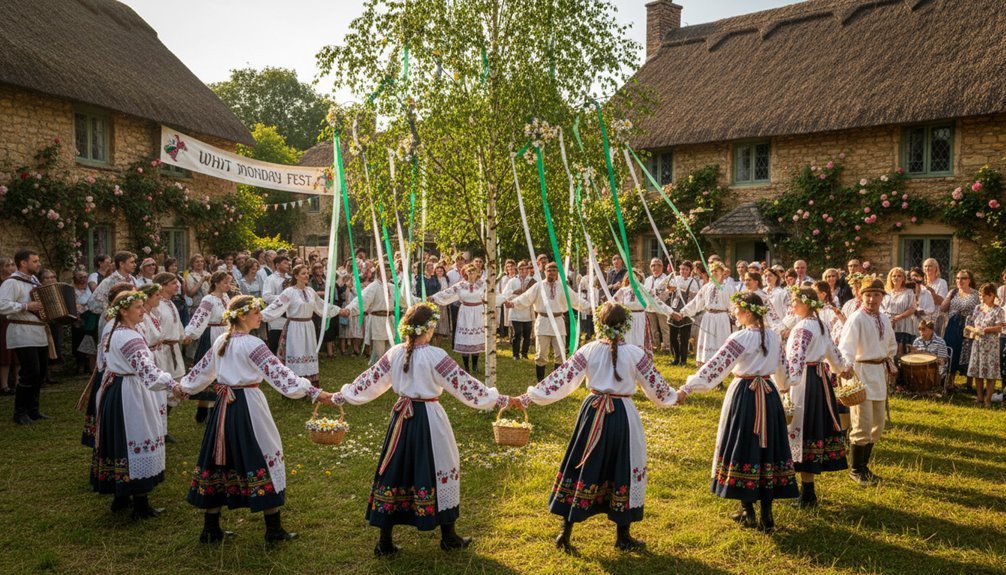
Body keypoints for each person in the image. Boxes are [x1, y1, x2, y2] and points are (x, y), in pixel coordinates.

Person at [329, 302, 518, 556]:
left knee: (395, 471)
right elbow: (465, 385)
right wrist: (499, 399)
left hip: (401, 420)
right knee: (441, 465)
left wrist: (342, 396)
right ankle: (448, 536)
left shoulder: (395, 352)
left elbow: (369, 380)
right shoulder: (435, 355)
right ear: (428, 329)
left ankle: (385, 541)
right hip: (429, 419)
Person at [516, 302, 678, 551]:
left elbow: (561, 378)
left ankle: (565, 533)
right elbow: (658, 388)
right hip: (622, 416)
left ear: (600, 324)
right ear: (625, 325)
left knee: (582, 466)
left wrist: (529, 397)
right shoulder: (635, 354)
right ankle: (622, 536)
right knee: (622, 467)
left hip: (592, 413)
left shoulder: (589, 349)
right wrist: (677, 396)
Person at [181, 295, 332, 543]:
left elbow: (201, 372)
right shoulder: (252, 344)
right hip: (248, 405)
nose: (261, 316)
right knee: (263, 453)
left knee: (220, 460)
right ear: (242, 316)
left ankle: (211, 527)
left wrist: (182, 387)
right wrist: (312, 391)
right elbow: (279, 373)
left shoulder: (222, 340)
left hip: (223, 408)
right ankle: (273, 529)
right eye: (256, 313)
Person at [677, 292, 797, 532]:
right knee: (767, 449)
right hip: (769, 395)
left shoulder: (740, 337)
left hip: (745, 395)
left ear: (748, 312)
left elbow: (716, 366)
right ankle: (766, 514)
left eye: (737, 310)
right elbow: (783, 369)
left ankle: (748, 510)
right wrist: (784, 388)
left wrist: (687, 388)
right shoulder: (773, 337)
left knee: (744, 445)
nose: (734, 313)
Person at [91, 290, 183, 518]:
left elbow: (102, 363)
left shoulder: (114, 330)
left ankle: (121, 497)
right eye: (138, 307)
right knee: (137, 437)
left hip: (116, 389)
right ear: (124, 311)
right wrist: (173, 384)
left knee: (120, 440)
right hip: (130, 392)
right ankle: (140, 504)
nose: (143, 310)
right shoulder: (128, 337)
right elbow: (146, 369)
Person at [784, 288, 850, 508]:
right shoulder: (820, 325)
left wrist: (787, 384)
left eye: (795, 302)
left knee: (802, 430)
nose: (792, 306)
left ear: (806, 304)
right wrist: (842, 368)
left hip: (804, 382)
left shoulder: (803, 327)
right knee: (809, 431)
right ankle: (807, 490)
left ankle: (805, 492)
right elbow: (833, 353)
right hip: (820, 381)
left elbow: (795, 357)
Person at [838, 278, 897, 487]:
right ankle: (855, 469)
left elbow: (890, 344)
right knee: (862, 422)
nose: (872, 299)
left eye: (876, 295)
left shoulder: (884, 318)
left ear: (882, 297)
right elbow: (846, 347)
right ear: (861, 296)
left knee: (877, 424)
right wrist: (846, 367)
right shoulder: (856, 318)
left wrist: (890, 360)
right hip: (861, 372)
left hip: (878, 373)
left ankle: (864, 466)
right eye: (868, 295)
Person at [261, 264, 346, 386]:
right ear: (296, 276)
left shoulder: (310, 291)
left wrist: (339, 310)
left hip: (308, 327)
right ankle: (294, 385)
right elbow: (276, 306)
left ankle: (309, 384)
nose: (306, 276)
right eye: (303, 273)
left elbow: (321, 305)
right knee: (296, 353)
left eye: (307, 273)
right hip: (295, 328)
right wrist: (260, 315)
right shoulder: (289, 292)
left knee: (309, 353)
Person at [505, 262, 587, 381]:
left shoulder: (563, 287)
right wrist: (513, 303)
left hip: (558, 322)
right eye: (549, 270)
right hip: (543, 321)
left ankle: (556, 382)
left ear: (557, 272)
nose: (551, 273)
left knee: (560, 354)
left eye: (554, 270)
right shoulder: (539, 286)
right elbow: (526, 297)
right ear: (545, 272)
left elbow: (576, 299)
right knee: (541, 354)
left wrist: (590, 308)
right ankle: (540, 382)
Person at [0, 250, 51, 425]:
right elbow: (2, 305)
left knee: (41, 372)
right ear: (23, 263)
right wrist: (25, 306)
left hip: (39, 331)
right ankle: (20, 412)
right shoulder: (11, 282)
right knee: (30, 372)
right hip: (21, 330)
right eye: (35, 261)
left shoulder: (35, 281)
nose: (38, 264)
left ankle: (33, 410)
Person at [184, 271, 232, 423]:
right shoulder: (208, 299)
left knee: (222, 370)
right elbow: (199, 317)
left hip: (225, 334)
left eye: (229, 282)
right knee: (209, 372)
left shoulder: (226, 297)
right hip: (212, 334)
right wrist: (190, 334)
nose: (228, 285)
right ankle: (204, 410)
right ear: (216, 283)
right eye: (225, 282)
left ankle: (217, 407)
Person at [672, 261, 736, 366]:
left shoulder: (729, 287)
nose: (713, 273)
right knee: (708, 341)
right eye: (712, 271)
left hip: (722, 318)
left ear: (722, 272)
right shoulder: (707, 287)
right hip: (708, 318)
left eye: (716, 271)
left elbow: (734, 304)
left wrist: (736, 316)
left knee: (720, 340)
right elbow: (696, 302)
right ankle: (706, 363)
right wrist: (682, 312)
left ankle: (721, 365)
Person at [431, 264, 486, 374]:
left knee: (476, 338)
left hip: (478, 313)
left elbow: (493, 294)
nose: (471, 274)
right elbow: (447, 292)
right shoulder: (461, 285)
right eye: (469, 271)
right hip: (465, 313)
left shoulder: (483, 284)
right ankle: (466, 367)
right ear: (465, 273)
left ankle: (475, 365)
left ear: (477, 273)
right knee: (466, 338)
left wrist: (505, 300)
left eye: (473, 271)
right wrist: (433, 297)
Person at [346, 261, 396, 365]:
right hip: (377, 321)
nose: (389, 273)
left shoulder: (392, 287)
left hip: (389, 320)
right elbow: (362, 300)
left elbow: (404, 299)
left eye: (390, 270)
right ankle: (377, 371)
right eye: (387, 270)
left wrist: (422, 300)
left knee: (390, 351)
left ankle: (388, 372)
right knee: (379, 353)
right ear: (380, 272)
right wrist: (349, 309)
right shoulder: (374, 286)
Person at [966, 283, 1004, 407]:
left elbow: (999, 328)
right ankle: (979, 397)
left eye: (984, 296)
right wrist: (973, 329)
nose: (981, 299)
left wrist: (984, 330)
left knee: (990, 372)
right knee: (978, 371)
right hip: (977, 343)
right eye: (980, 296)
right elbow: (971, 323)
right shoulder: (978, 308)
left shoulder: (998, 310)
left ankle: (988, 398)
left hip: (990, 345)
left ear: (992, 295)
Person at [940, 269, 979, 383]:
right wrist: (949, 296)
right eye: (957, 278)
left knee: (968, 352)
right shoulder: (953, 292)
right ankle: (950, 382)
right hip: (952, 324)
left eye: (963, 278)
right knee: (951, 350)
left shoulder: (976, 294)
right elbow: (942, 308)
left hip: (968, 325)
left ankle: (969, 383)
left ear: (969, 280)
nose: (960, 281)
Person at [89, 251, 138, 333]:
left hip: (131, 322)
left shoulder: (133, 279)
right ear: (121, 264)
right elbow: (92, 304)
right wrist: (112, 309)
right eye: (132, 262)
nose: (135, 264)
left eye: (134, 262)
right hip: (113, 324)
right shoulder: (109, 281)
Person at [504, 260, 535, 360]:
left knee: (527, 334)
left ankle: (524, 354)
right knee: (517, 333)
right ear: (517, 269)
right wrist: (514, 291)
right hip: (516, 310)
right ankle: (515, 354)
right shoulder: (512, 281)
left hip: (527, 311)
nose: (522, 271)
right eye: (520, 269)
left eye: (524, 268)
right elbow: (505, 294)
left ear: (528, 269)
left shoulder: (532, 281)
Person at [882, 267, 917, 356]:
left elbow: (912, 308)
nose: (896, 278)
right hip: (888, 323)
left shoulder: (909, 292)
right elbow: (881, 308)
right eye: (894, 276)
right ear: (890, 278)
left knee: (902, 353)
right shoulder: (886, 293)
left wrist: (898, 317)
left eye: (899, 276)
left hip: (903, 324)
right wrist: (889, 319)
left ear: (903, 278)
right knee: (888, 352)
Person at [262, 255, 291, 353]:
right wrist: (284, 297)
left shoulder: (291, 278)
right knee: (276, 344)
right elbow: (266, 296)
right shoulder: (270, 279)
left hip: (290, 315)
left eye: (288, 263)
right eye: (285, 263)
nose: (288, 265)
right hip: (277, 318)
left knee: (289, 345)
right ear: (277, 265)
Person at [643, 258, 671, 353]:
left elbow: (666, 293)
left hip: (661, 306)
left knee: (664, 328)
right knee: (653, 328)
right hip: (649, 307)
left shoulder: (666, 279)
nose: (655, 267)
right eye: (653, 265)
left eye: (658, 265)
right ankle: (656, 346)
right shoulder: (647, 279)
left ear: (662, 267)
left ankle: (667, 346)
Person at [0, 257, 18, 396]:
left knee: (17, 354)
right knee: (5, 354)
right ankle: (4, 385)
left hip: (16, 319)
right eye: (8, 265)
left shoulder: (17, 281)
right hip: (3, 321)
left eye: (13, 265)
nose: (11, 267)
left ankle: (18, 383)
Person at [71, 269, 93, 374]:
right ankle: (79, 364)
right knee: (78, 340)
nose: (83, 279)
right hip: (77, 318)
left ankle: (88, 364)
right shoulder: (72, 290)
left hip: (89, 317)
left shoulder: (90, 289)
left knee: (89, 339)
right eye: (80, 277)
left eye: (85, 277)